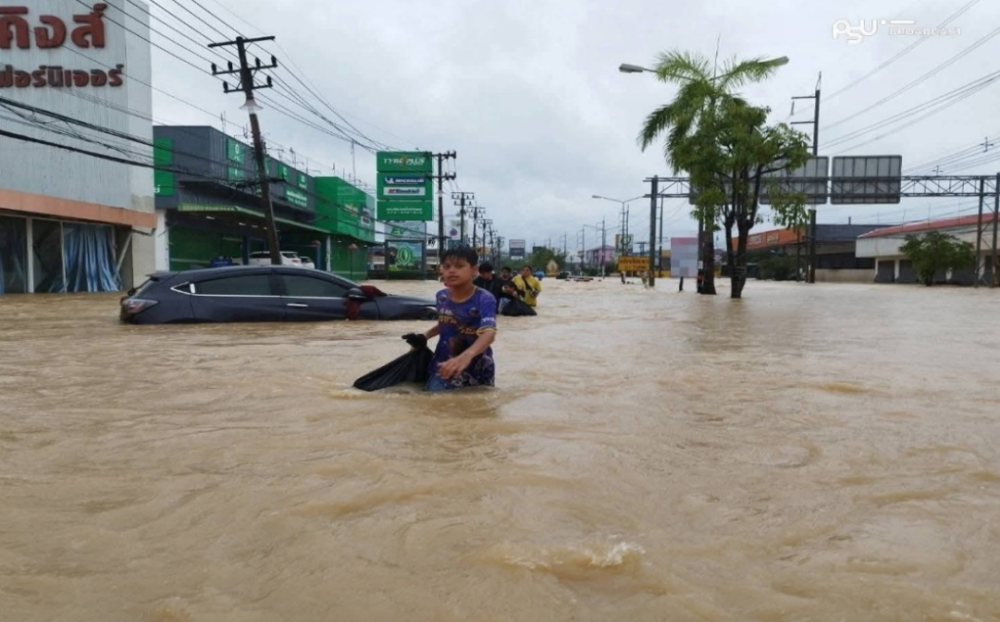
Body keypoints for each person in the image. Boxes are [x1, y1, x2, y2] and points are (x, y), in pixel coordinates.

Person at [417, 245, 497, 392]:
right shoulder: (441, 296)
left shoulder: (484, 298)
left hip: (478, 367)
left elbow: (489, 333)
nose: (451, 270)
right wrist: (425, 336)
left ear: (474, 270)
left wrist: (466, 356)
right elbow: (446, 324)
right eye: (446, 266)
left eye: (459, 266)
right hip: (443, 365)